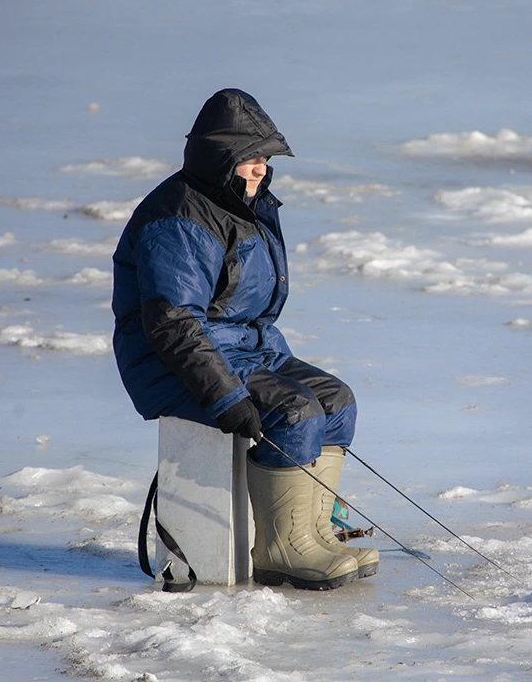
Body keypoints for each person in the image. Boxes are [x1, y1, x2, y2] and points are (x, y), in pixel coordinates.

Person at [111, 88, 378, 590]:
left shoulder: (242, 202)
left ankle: (313, 534)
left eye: (264, 159)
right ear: (221, 159)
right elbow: (173, 323)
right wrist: (227, 396)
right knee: (293, 412)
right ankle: (282, 550)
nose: (261, 169)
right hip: (174, 363)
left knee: (336, 402)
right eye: (251, 159)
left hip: (247, 348)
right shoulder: (181, 218)